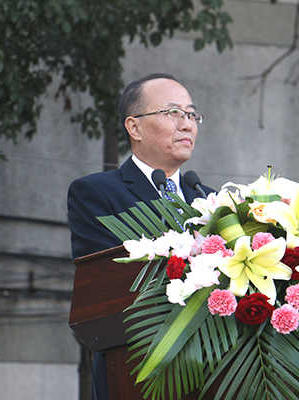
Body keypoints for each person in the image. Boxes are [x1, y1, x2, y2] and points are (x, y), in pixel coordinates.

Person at [67, 73, 214, 399]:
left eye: (192, 115)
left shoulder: (210, 199)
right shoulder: (96, 193)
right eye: (173, 113)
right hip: (137, 372)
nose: (187, 125)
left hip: (214, 372)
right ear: (134, 127)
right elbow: (107, 289)